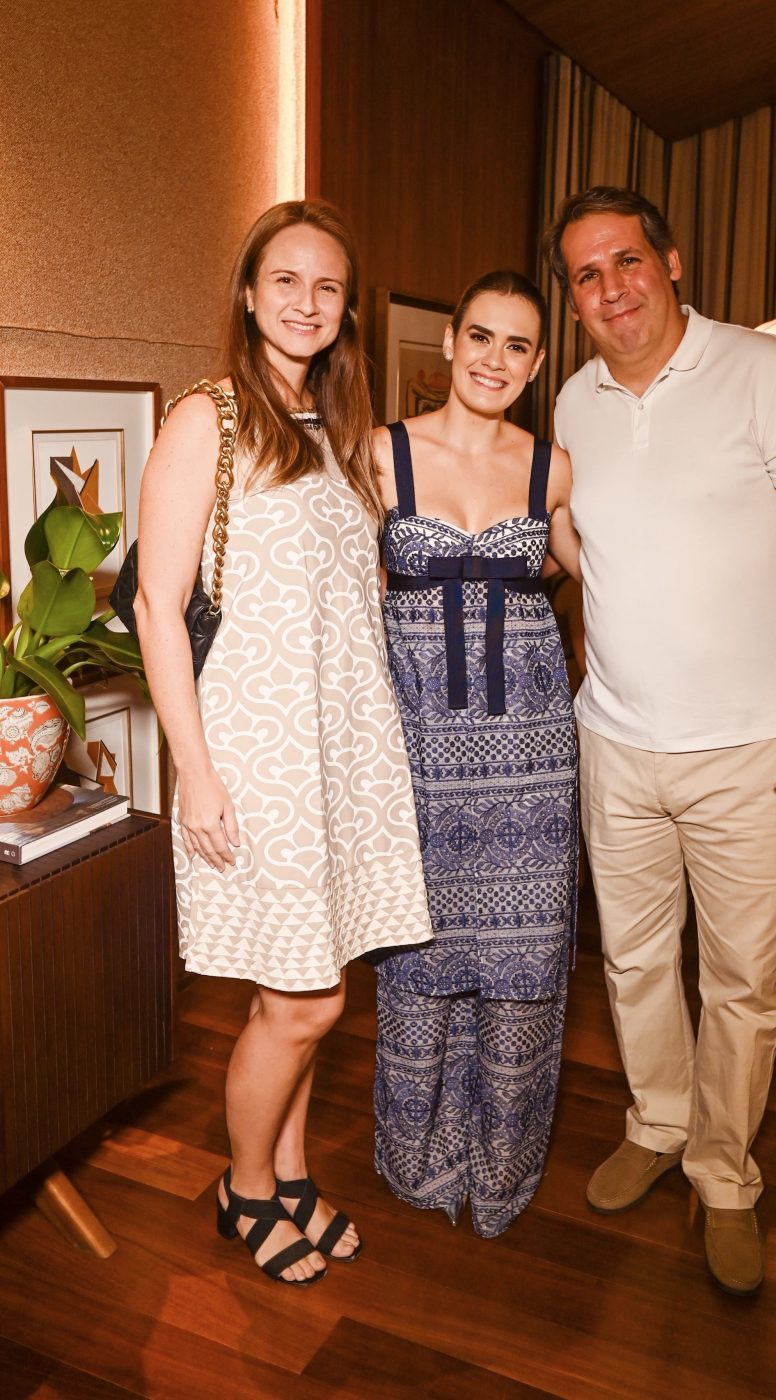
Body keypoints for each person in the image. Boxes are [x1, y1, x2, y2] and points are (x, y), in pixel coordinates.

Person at [543, 186, 776, 1294]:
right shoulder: (574, 401)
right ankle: (658, 1120)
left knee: (742, 978)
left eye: (624, 259)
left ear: (670, 261)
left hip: (751, 750)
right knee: (633, 960)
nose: (609, 287)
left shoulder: (766, 373)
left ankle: (725, 1173)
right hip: (617, 740)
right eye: (584, 274)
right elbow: (577, 534)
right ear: (572, 298)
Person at [134, 200, 432, 1285]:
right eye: (286, 280)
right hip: (253, 757)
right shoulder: (204, 419)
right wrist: (196, 771)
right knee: (305, 999)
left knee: (306, 982)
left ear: (346, 309)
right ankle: (244, 1185)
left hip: (341, 754)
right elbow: (157, 606)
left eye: (328, 286)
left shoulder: (342, 432)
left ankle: (293, 1171)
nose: (307, 302)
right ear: (249, 293)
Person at [372, 269, 580, 1238]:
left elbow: (616, 580)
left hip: (530, 748)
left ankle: (500, 1163)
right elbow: (341, 596)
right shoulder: (380, 454)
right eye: (482, 337)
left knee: (524, 952)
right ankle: (419, 1155)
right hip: (416, 740)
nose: (496, 359)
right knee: (420, 946)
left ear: (538, 363)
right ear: (450, 342)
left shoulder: (553, 468)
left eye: (519, 345)